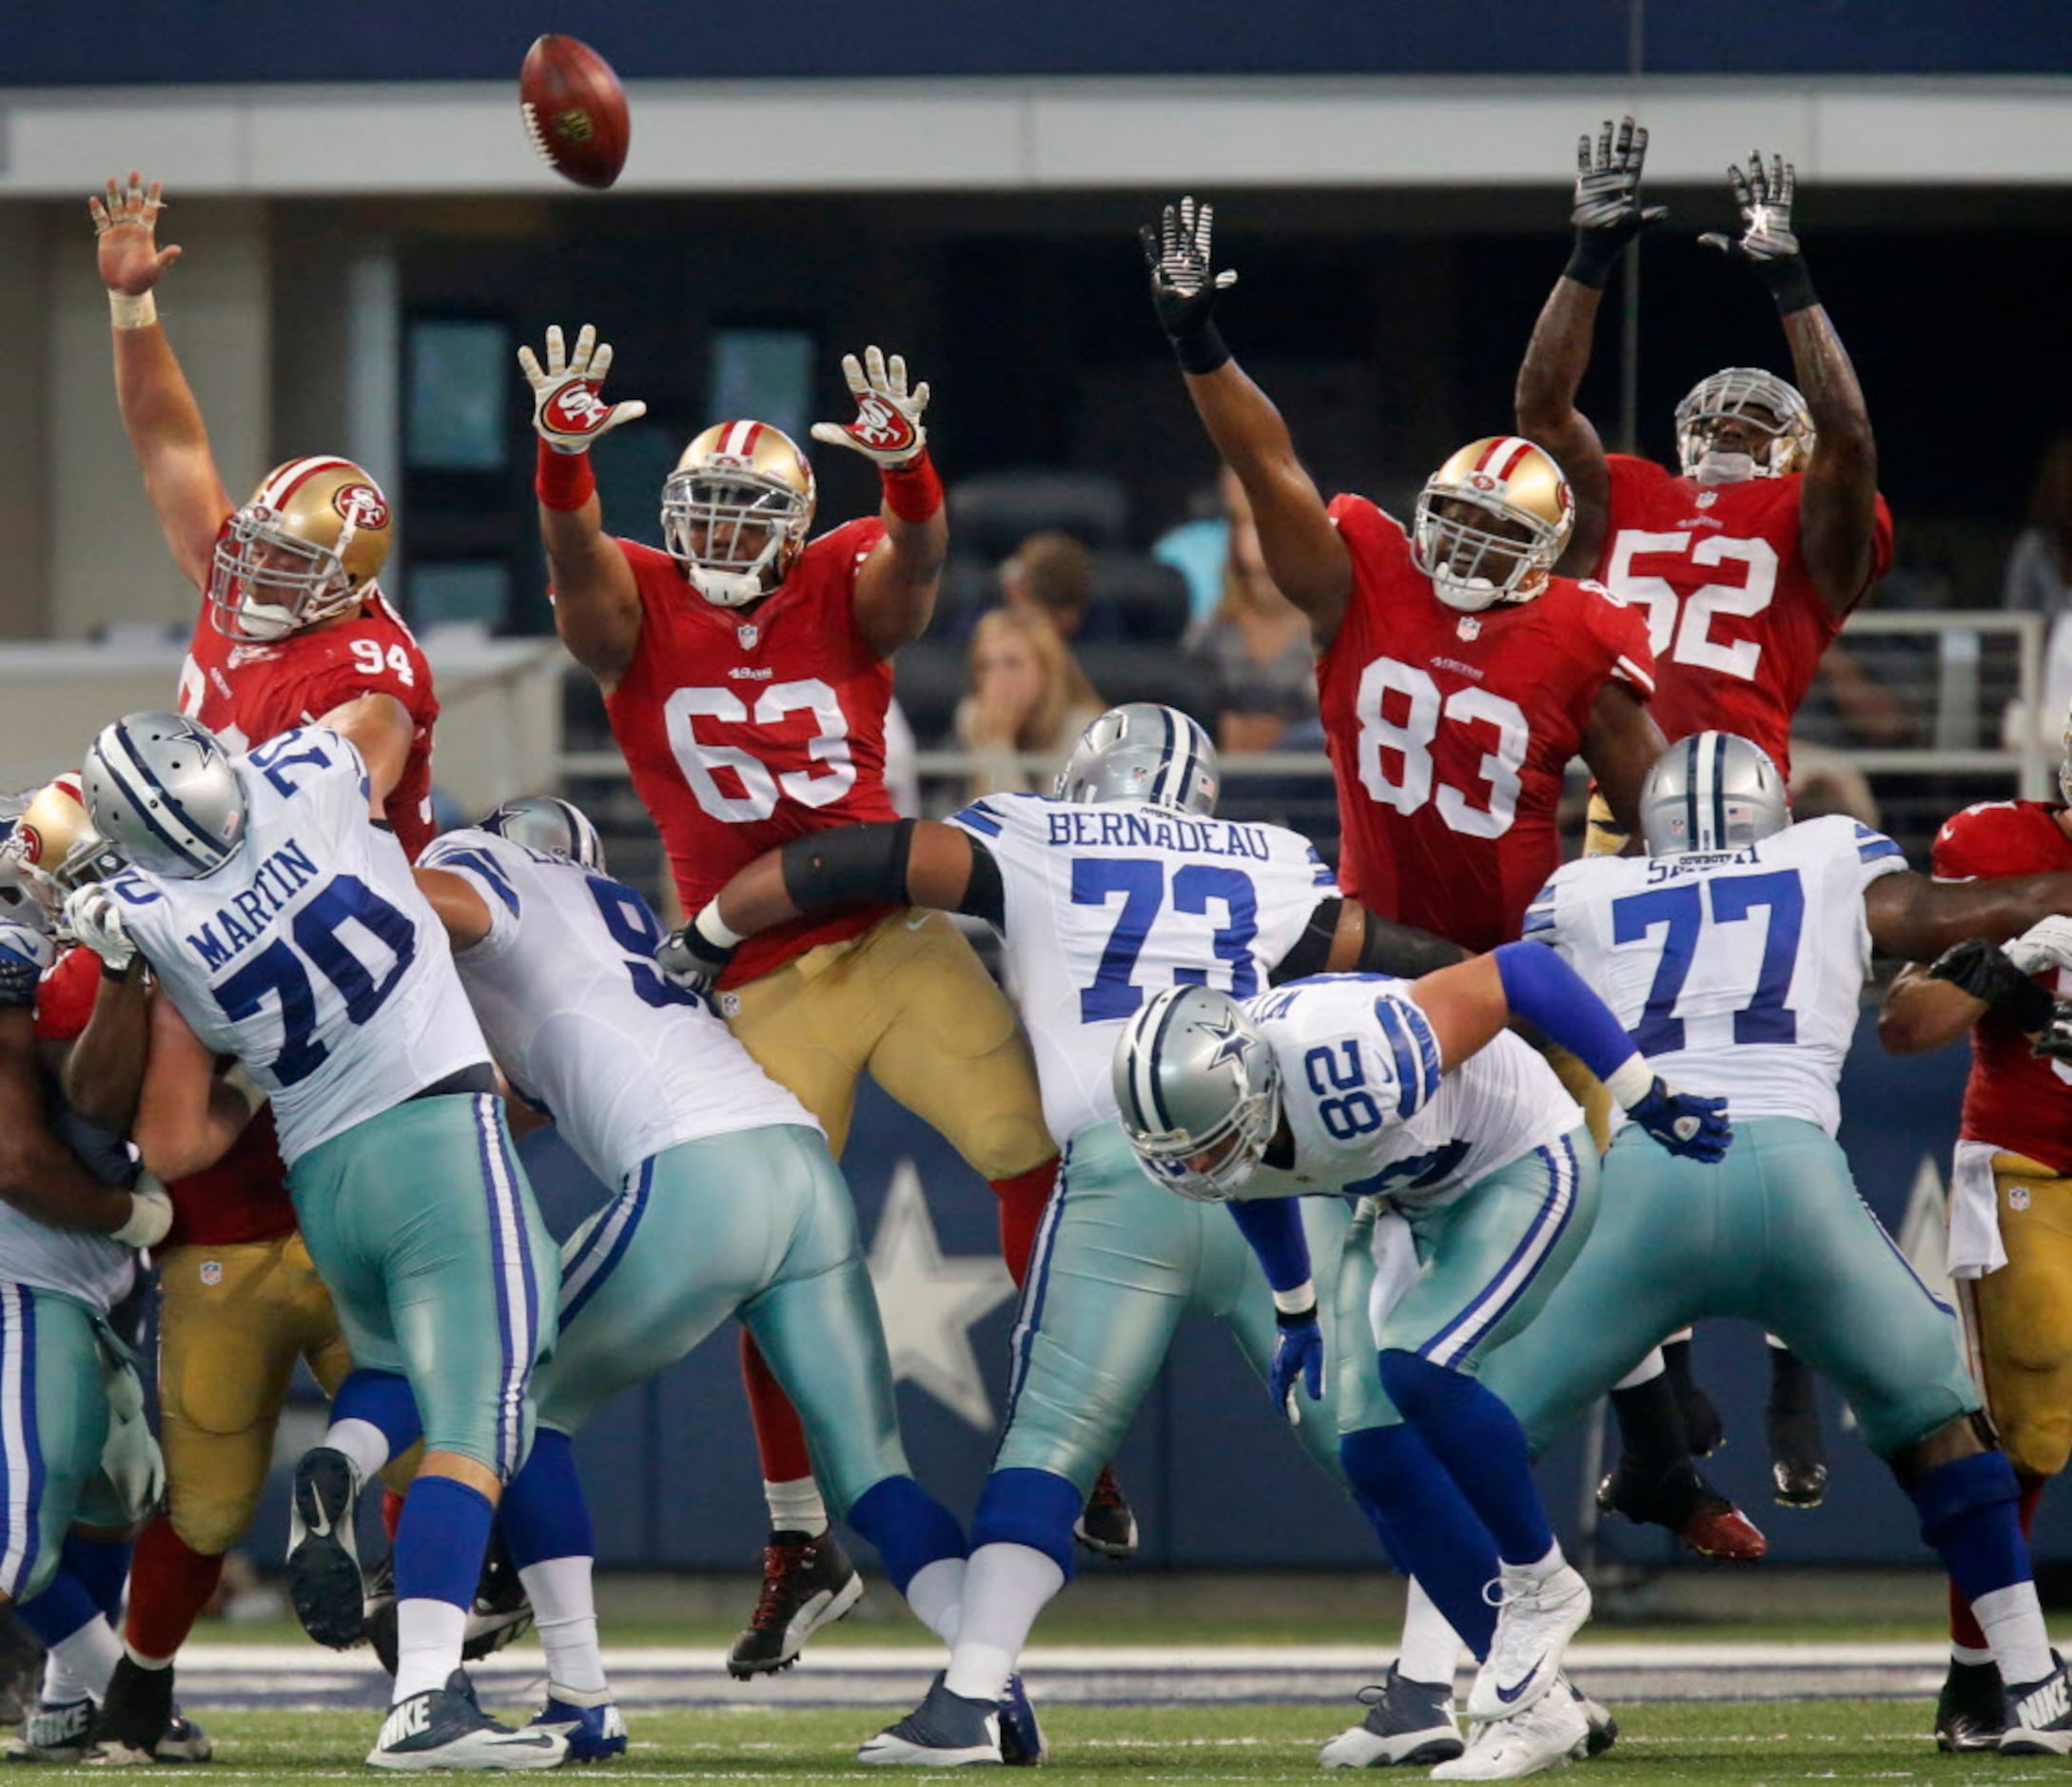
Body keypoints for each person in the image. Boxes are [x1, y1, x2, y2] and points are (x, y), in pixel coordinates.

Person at [656, 704, 1529, 1765]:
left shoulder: (1035, 834)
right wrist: (1527, 1012)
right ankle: (1475, 1682)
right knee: (1368, 1438)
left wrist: (708, 934)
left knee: (1051, 1443)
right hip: (1276, 1161)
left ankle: (973, 1699)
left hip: (1128, 1164)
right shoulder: (1271, 859)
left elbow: (851, 861)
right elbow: (1388, 954)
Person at [516, 324, 1086, 1666]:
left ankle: (1070, 1425)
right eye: (700, 506)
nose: (719, 529)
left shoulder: (842, 581)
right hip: (755, 977)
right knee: (772, 1255)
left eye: (746, 509)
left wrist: (911, 480)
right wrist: (559, 465)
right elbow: (576, 569)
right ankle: (796, 1536)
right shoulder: (635, 602)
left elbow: (918, 571)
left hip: (887, 933)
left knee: (1031, 1147)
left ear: (796, 528)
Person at [292, 795, 1001, 1762]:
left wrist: (306, 892)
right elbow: (533, 1096)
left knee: (510, 1401)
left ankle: (577, 1691)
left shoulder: (502, 878)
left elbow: (440, 907)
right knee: (875, 1475)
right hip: (797, 1162)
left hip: (697, 1175)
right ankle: (987, 1689)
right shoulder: (613, 916)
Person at [1456, 732, 2072, 1768]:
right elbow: (1937, 916)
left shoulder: (1587, 891)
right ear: (1770, 809)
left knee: (1479, 1432)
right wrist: (2039, 907)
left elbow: (1514, 1022)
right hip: (1797, 1180)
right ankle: (2031, 1684)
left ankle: (1512, 1691)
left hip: (1651, 1179)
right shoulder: (1827, 853)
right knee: (1942, 1428)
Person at [88, 169, 456, 1737]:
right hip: (238, 940)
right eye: (251, 552)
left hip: (336, 947)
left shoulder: (364, 659)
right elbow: (171, 444)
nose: (243, 576)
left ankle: (451, 1638)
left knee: (445, 1350)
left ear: (348, 589)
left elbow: (363, 765)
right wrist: (130, 298)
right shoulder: (252, 591)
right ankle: (439, 1650)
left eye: (283, 569)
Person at [1514, 120, 1891, 1519]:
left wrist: (1786, 279)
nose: (1729, 442)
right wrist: (1588, 253)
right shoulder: (1636, 498)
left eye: (1755, 428)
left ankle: (1792, 1367)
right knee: (1604, 1093)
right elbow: (1538, 410)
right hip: (1627, 822)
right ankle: (1660, 1387)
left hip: (1756, 830)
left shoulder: (1815, 521)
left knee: (1780, 1090)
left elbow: (1848, 431)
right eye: (1713, 424)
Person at [67, 714, 563, 1771]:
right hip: (433, 1121)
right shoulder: (303, 779)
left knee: (400, 1386)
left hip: (326, 1175)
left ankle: (340, 1466)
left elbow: (169, 1138)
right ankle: (427, 1701)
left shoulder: (150, 916)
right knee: (482, 1410)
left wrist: (258, 1070)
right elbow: (384, 718)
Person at [1109, 945, 1729, 1779]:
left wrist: (1641, 1093)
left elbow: (1524, 972)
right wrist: (1295, 1314)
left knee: (1419, 1367)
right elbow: (1253, 1183)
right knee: (1370, 1449)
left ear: (1254, 1085)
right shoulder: (1232, 1130)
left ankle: (1542, 1582)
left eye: (1206, 1141)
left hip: (1519, 1160)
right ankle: (1542, 1711)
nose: (1193, 1165)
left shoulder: (1351, 1055)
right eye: (1180, 1149)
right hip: (1406, 1195)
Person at [1143, 195, 1667, 959]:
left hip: (1516, 965)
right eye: (1457, 517)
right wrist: (1197, 341)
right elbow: (1267, 466)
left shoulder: (1579, 634)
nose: (1467, 545)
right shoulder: (1368, 577)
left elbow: (1660, 823)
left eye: (1498, 532)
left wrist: (1596, 922)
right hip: (1375, 948)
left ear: (1544, 551)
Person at [1877, 722, 2072, 1751]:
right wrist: (2010, 960)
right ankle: (1981, 1670)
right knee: (2030, 1426)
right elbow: (1905, 1024)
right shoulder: (1998, 848)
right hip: (2030, 1158)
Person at [0, 810, 203, 1767]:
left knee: (115, 1489)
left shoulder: (67, 966)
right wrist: (132, 1219)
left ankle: (72, 1699)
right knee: (17, 1534)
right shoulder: (10, 959)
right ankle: (118, 1694)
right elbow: (20, 1160)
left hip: (75, 1283)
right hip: (22, 1276)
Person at [1184, 468, 1321, 754]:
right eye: (1246, 524)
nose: (1260, 537)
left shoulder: (1327, 625)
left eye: (1270, 525)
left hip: (1310, 778)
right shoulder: (1211, 629)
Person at [954, 606, 1105, 798]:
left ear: (1047, 672)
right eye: (984, 667)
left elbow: (1033, 825)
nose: (995, 681)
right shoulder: (973, 717)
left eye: (1012, 664)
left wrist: (997, 746)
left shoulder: (1085, 731)